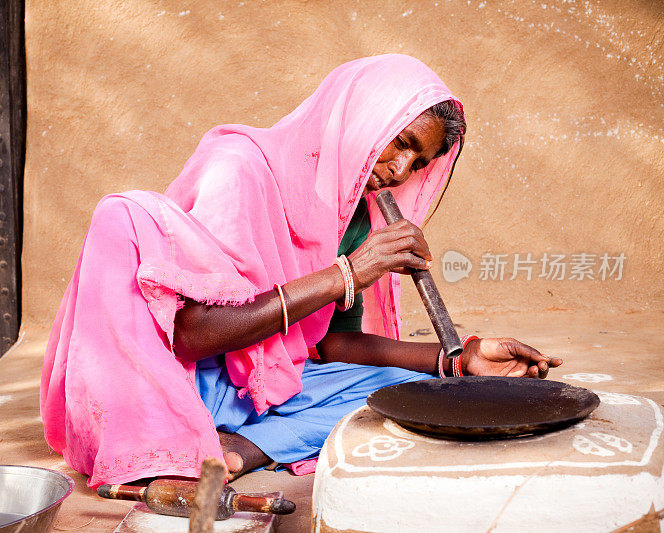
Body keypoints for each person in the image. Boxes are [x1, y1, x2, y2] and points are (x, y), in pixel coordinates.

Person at [40, 54, 562, 488]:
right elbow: (192, 335)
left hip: (262, 387)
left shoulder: (355, 213)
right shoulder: (238, 166)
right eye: (401, 142)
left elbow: (332, 345)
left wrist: (457, 359)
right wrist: (345, 274)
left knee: (402, 391)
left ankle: (240, 449)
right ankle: (189, 441)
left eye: (419, 163)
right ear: (363, 117)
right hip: (174, 383)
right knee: (120, 216)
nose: (401, 170)